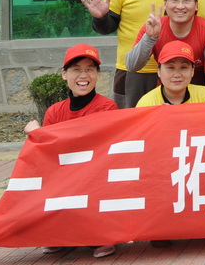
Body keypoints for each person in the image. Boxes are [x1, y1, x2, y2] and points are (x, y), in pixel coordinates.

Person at [24, 44, 118, 258]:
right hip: (63, 176)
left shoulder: (107, 107)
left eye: (89, 69)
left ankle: (100, 234)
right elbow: (47, 154)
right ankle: (62, 234)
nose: (83, 75)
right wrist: (36, 137)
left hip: (95, 175)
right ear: (64, 74)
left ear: (97, 75)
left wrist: (41, 133)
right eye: (76, 69)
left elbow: (90, 144)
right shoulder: (54, 111)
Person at [125, 0, 205, 98]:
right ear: (165, 4)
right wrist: (150, 38)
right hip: (165, 93)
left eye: (187, 0)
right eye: (174, 0)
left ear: (196, 5)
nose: (180, 6)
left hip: (200, 96)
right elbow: (132, 66)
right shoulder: (154, 26)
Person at [136, 41, 205, 106]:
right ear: (159, 71)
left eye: (183, 67)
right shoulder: (146, 103)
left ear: (192, 71)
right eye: (170, 68)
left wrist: (176, 115)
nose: (177, 75)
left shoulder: (204, 96)